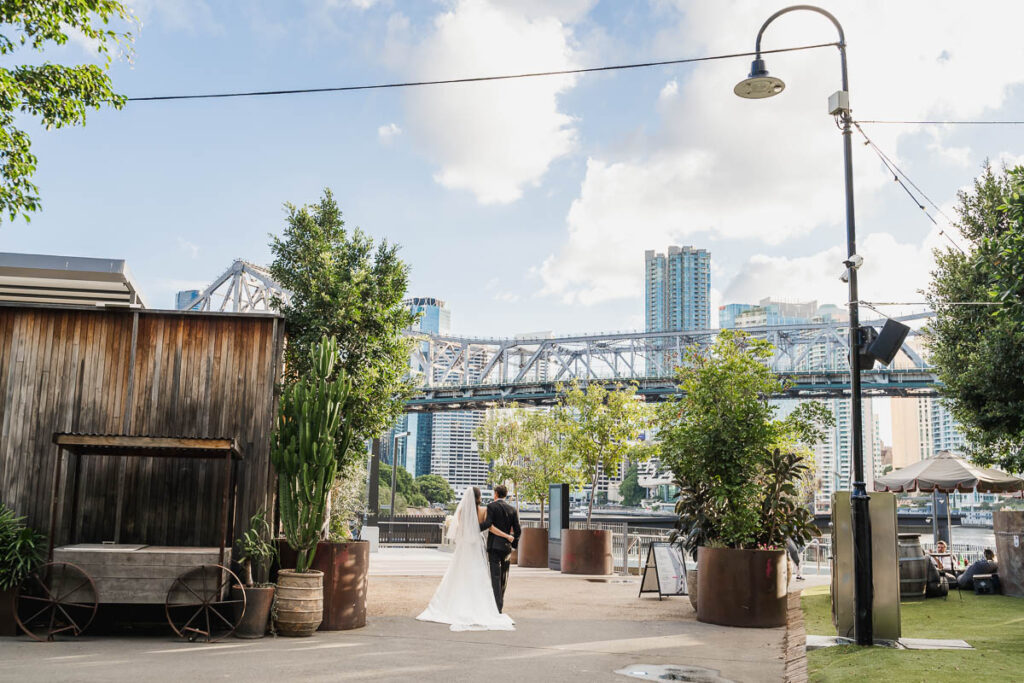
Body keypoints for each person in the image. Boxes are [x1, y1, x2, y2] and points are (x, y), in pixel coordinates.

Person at [416, 486, 515, 631]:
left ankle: (456, 603)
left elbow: (459, 530)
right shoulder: (483, 510)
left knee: (460, 573)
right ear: (479, 497)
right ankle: (483, 606)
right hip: (476, 545)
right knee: (478, 575)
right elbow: (489, 527)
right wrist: (506, 535)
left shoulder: (461, 511)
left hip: (464, 547)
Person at [479, 484, 521, 613]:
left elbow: (488, 524)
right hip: (506, 548)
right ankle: (500, 603)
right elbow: (518, 530)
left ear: (496, 494)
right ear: (506, 494)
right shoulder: (512, 510)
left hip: (494, 546)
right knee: (504, 576)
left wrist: (473, 527)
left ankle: (497, 607)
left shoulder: (491, 506)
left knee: (495, 576)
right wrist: (513, 544)